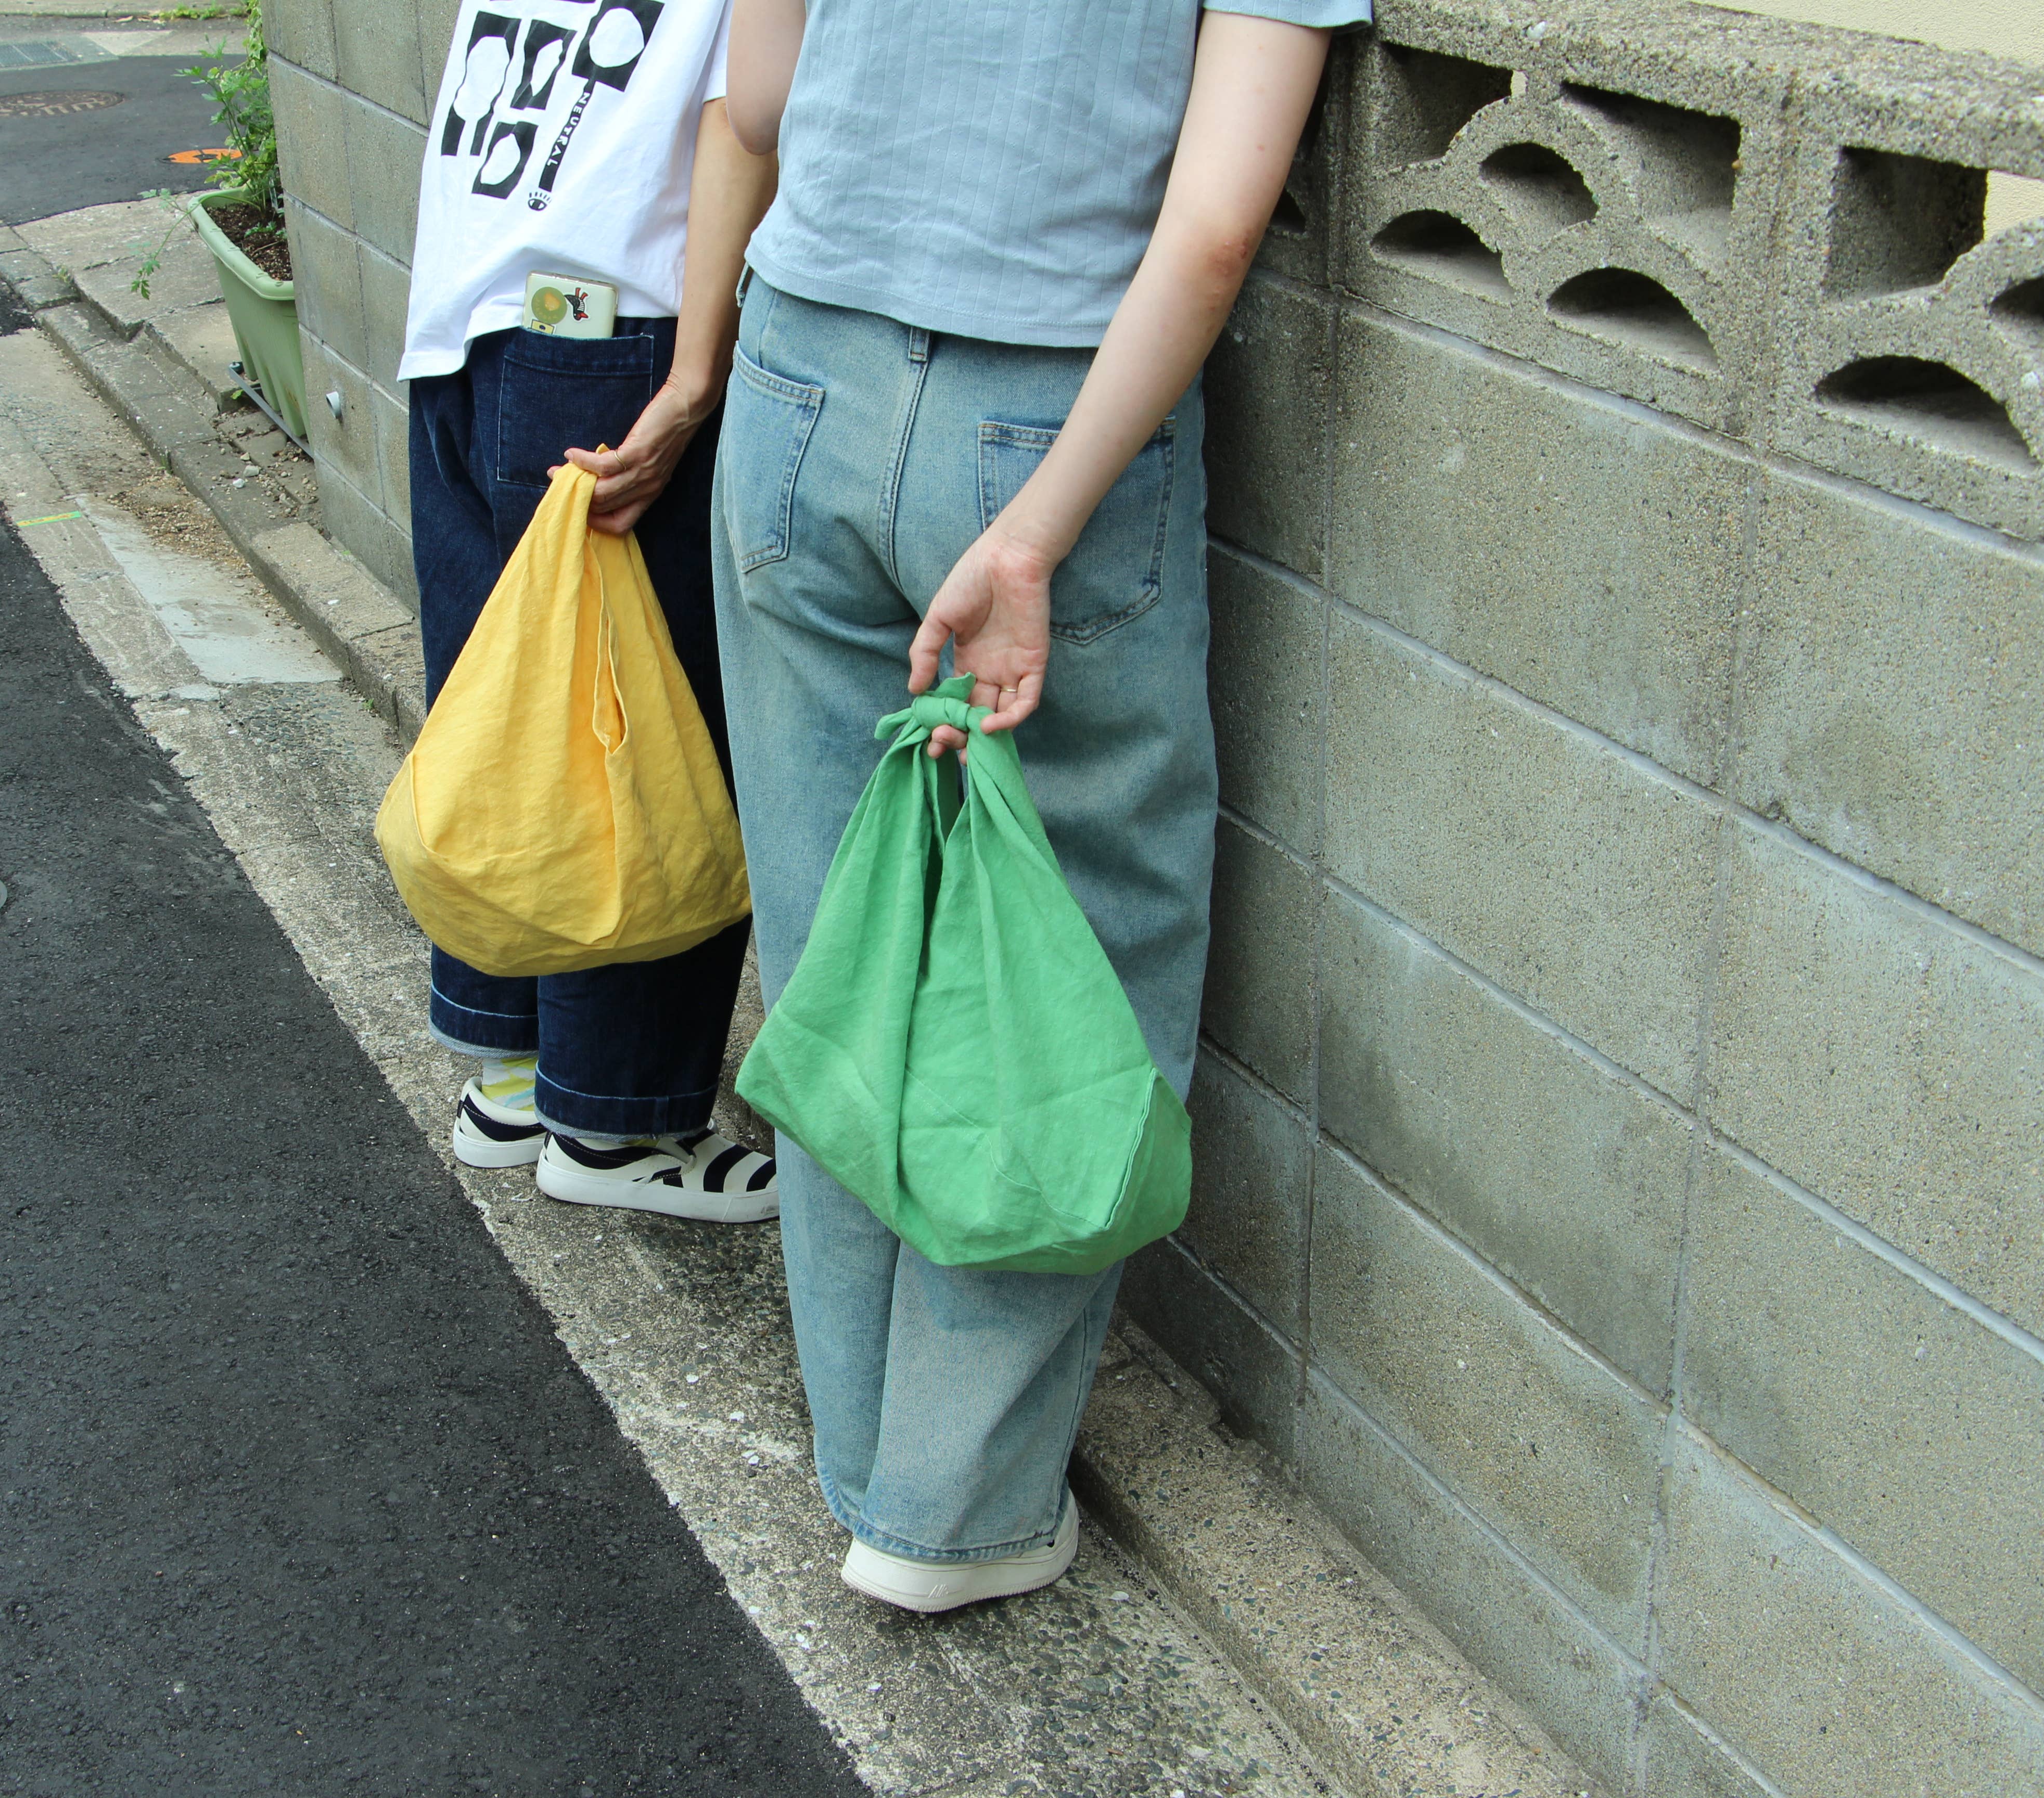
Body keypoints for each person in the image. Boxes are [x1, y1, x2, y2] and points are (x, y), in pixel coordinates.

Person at [716, 0, 1365, 1609]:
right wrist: (1033, 537)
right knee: (1069, 961)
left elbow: (763, 95)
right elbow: (1211, 232)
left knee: (835, 942)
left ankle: (861, 1457)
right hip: (1056, 408)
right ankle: (953, 1511)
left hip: (799, 366)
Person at [402, 0, 781, 1219]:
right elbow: (744, 118)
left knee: (507, 712)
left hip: (465, 322)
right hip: (616, 337)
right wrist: (696, 380)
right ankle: (617, 1126)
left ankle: (513, 1076)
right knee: (642, 748)